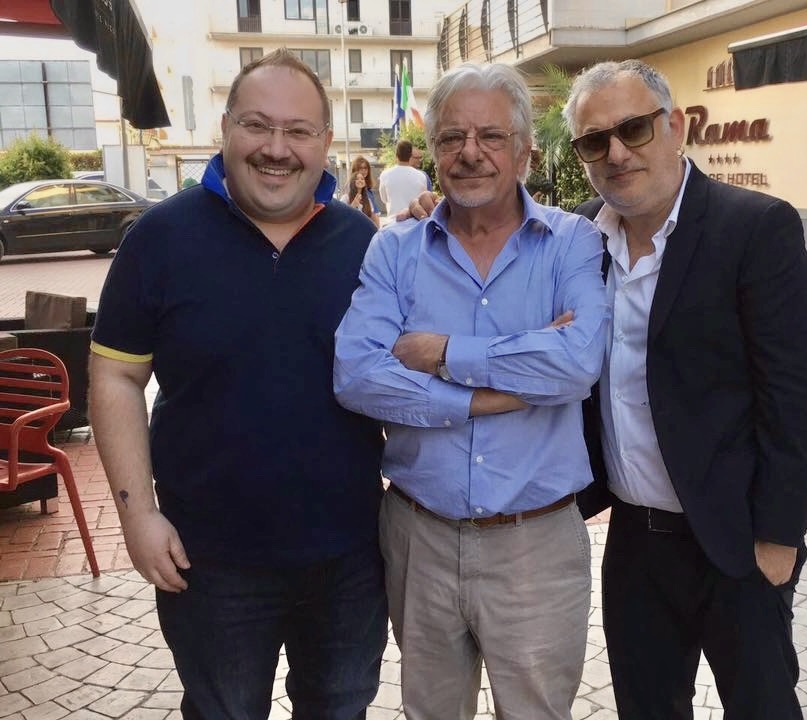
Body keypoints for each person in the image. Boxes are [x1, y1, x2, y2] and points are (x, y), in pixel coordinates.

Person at [407, 58, 807, 720]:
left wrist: (780, 536)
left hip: (736, 534)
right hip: (635, 536)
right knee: (647, 707)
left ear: (675, 126)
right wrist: (445, 211)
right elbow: (497, 253)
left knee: (762, 706)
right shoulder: (576, 239)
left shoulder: (753, 227)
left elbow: (796, 392)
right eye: (594, 140)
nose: (616, 153)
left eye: (633, 129)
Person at [88, 48, 388, 720]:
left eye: (298, 130)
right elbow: (116, 375)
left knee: (340, 709)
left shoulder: (365, 244)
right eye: (257, 125)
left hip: (349, 556)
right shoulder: (159, 239)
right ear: (225, 129)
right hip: (209, 559)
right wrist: (137, 515)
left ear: (325, 142)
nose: (276, 149)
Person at [334, 62, 609, 720]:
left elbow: (578, 363)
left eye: (491, 135)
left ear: (523, 151)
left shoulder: (571, 242)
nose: (470, 152)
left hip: (535, 542)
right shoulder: (395, 249)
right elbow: (357, 375)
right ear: (433, 152)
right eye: (453, 137)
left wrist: (441, 353)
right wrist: (496, 392)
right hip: (419, 536)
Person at [377, 138, 428, 219]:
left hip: (393, 221)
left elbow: (384, 199)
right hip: (414, 221)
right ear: (410, 155)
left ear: (396, 154)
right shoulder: (421, 176)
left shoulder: (385, 175)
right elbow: (423, 200)